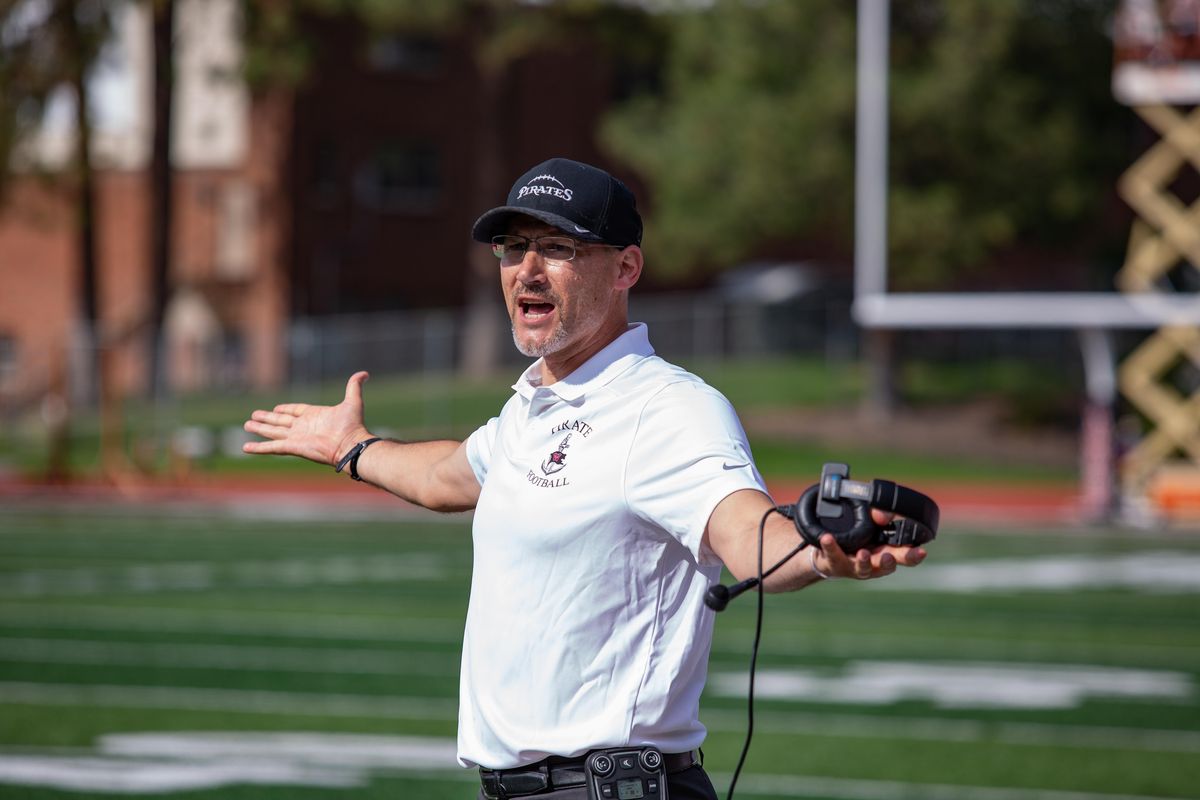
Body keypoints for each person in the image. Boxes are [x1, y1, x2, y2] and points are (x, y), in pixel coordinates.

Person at [242, 157, 927, 799]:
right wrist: (352, 448)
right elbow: (448, 475)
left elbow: (744, 530)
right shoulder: (533, 406)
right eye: (514, 248)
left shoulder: (667, 408)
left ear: (625, 266)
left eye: (559, 249)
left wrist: (817, 552)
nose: (527, 271)